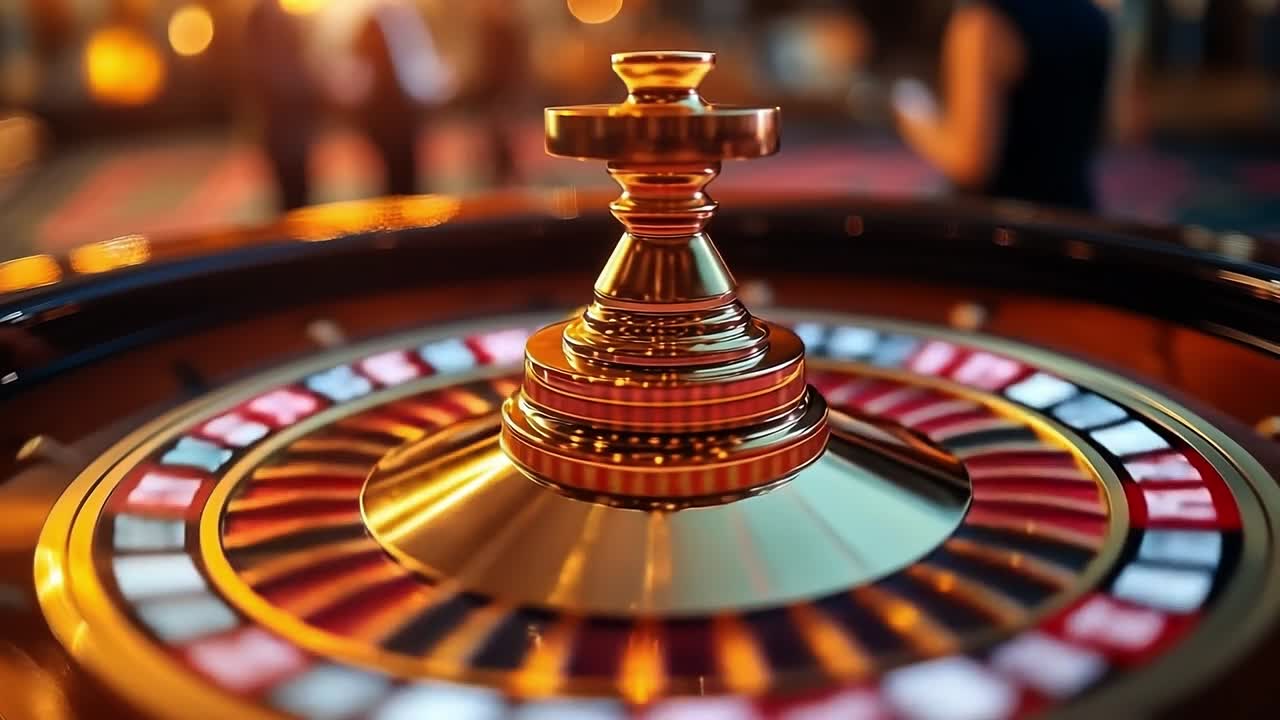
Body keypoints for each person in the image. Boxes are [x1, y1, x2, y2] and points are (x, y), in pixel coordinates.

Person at [889, 0, 1112, 211]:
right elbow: (1112, 128)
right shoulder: (1095, 18)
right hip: (1076, 214)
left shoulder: (984, 23)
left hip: (1005, 230)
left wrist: (914, 114)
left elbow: (972, 163)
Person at [242, 0, 322, 211]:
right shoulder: (262, 17)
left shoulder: (279, 16)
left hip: (294, 124)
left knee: (300, 192)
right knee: (291, 195)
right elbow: (264, 70)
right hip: (282, 125)